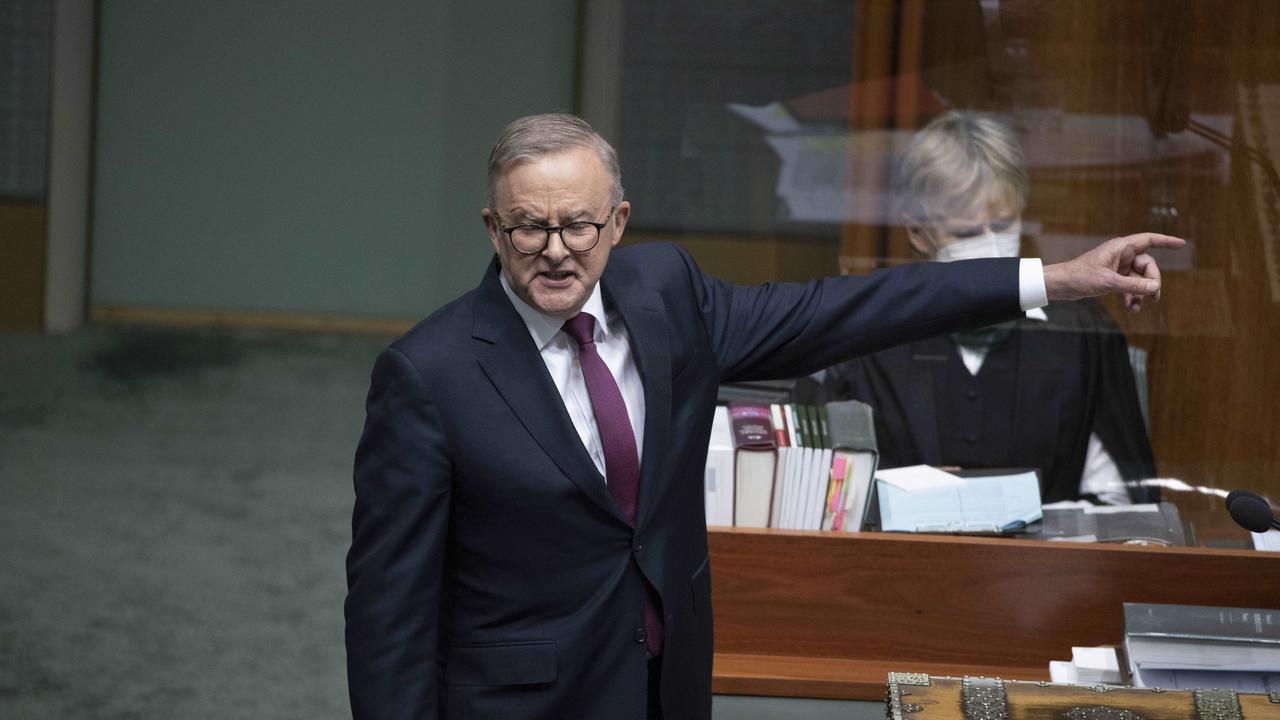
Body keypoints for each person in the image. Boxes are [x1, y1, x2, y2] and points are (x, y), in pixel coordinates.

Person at [344, 113, 1180, 720]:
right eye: (530, 228)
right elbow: (388, 609)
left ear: (620, 223)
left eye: (579, 224)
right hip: (522, 702)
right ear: (494, 229)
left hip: (664, 685)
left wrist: (1056, 280)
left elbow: (843, 310)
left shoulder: (665, 293)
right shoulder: (430, 373)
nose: (557, 249)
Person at [821, 111, 1157, 504]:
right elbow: (830, 493)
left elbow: (1125, 505)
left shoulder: (1081, 336)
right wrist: (900, 493)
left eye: (1002, 226)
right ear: (917, 231)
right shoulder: (869, 333)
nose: (990, 245)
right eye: (964, 232)